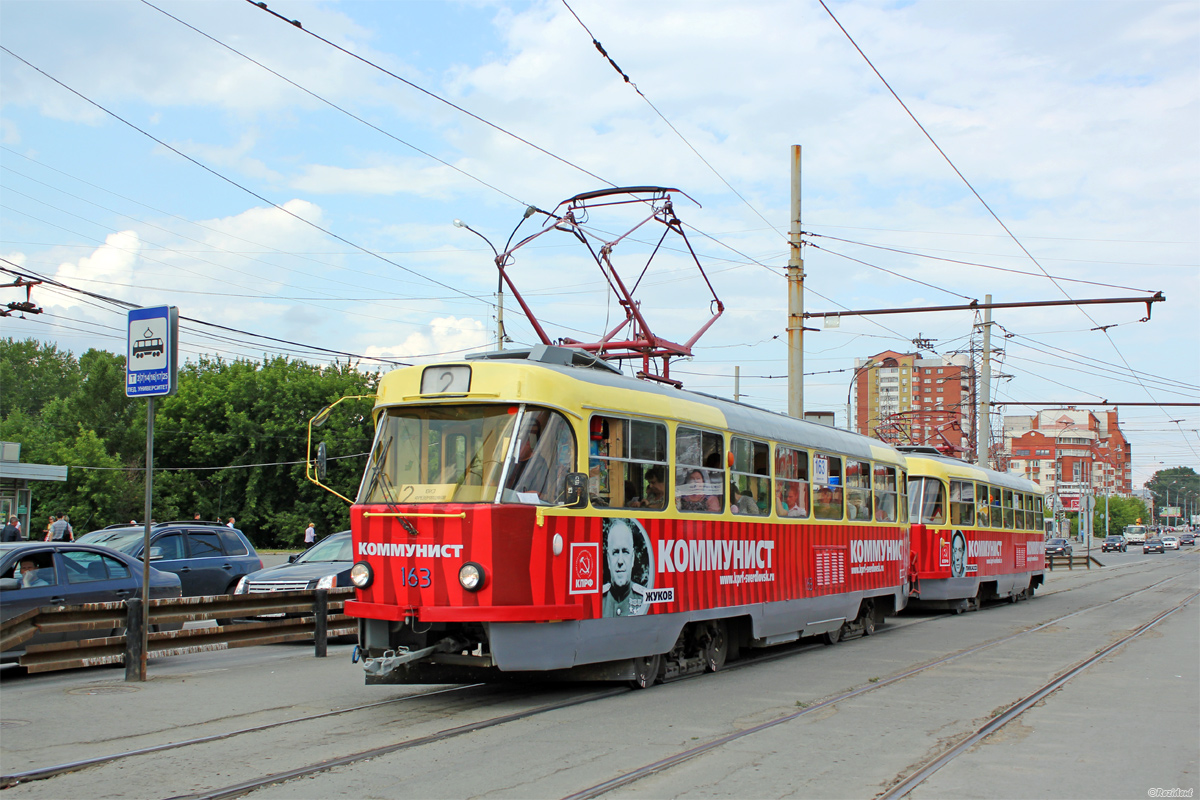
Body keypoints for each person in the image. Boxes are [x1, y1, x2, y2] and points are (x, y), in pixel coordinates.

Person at [602, 519, 647, 617]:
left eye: (625, 552)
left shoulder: (644, 599)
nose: (620, 561)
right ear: (608, 560)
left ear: (633, 558)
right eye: (616, 552)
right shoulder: (597, 601)